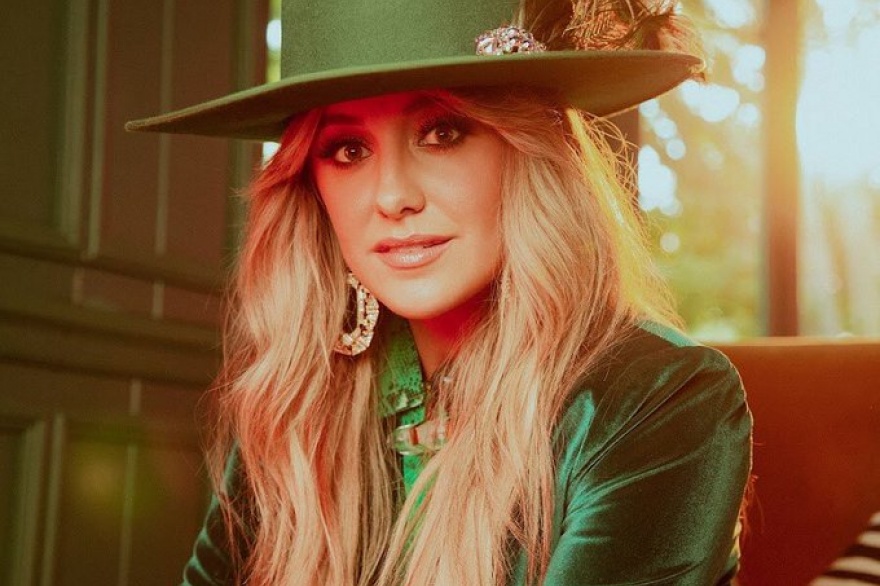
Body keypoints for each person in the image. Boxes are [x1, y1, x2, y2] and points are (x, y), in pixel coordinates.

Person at [127, 0, 752, 584]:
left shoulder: (659, 402)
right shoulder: (295, 404)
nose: (393, 196)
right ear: (310, 187)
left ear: (530, 150)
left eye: (442, 133)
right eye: (348, 149)